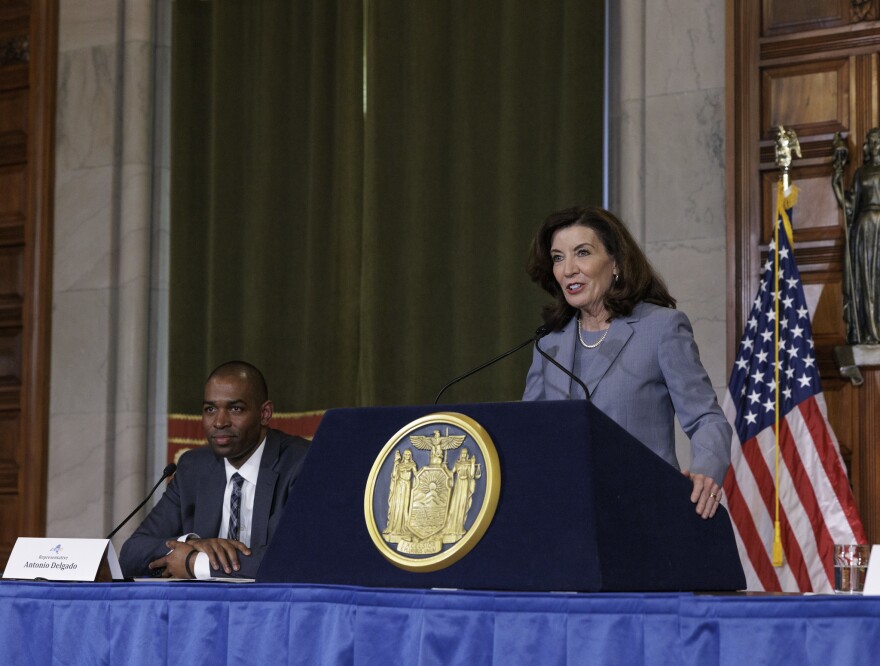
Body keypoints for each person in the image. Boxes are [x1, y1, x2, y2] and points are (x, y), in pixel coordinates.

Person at [522, 206, 731, 519]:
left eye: (582, 253)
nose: (568, 269)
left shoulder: (661, 329)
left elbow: (706, 419)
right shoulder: (549, 344)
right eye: (558, 257)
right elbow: (529, 433)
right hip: (567, 516)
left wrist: (706, 470)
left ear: (616, 263)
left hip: (645, 512)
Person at [119, 361, 310, 578]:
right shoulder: (193, 468)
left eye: (235, 408)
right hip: (202, 609)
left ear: (265, 413)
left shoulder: (302, 463)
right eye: (210, 409)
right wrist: (191, 544)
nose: (219, 422)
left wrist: (194, 562)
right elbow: (131, 554)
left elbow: (296, 560)